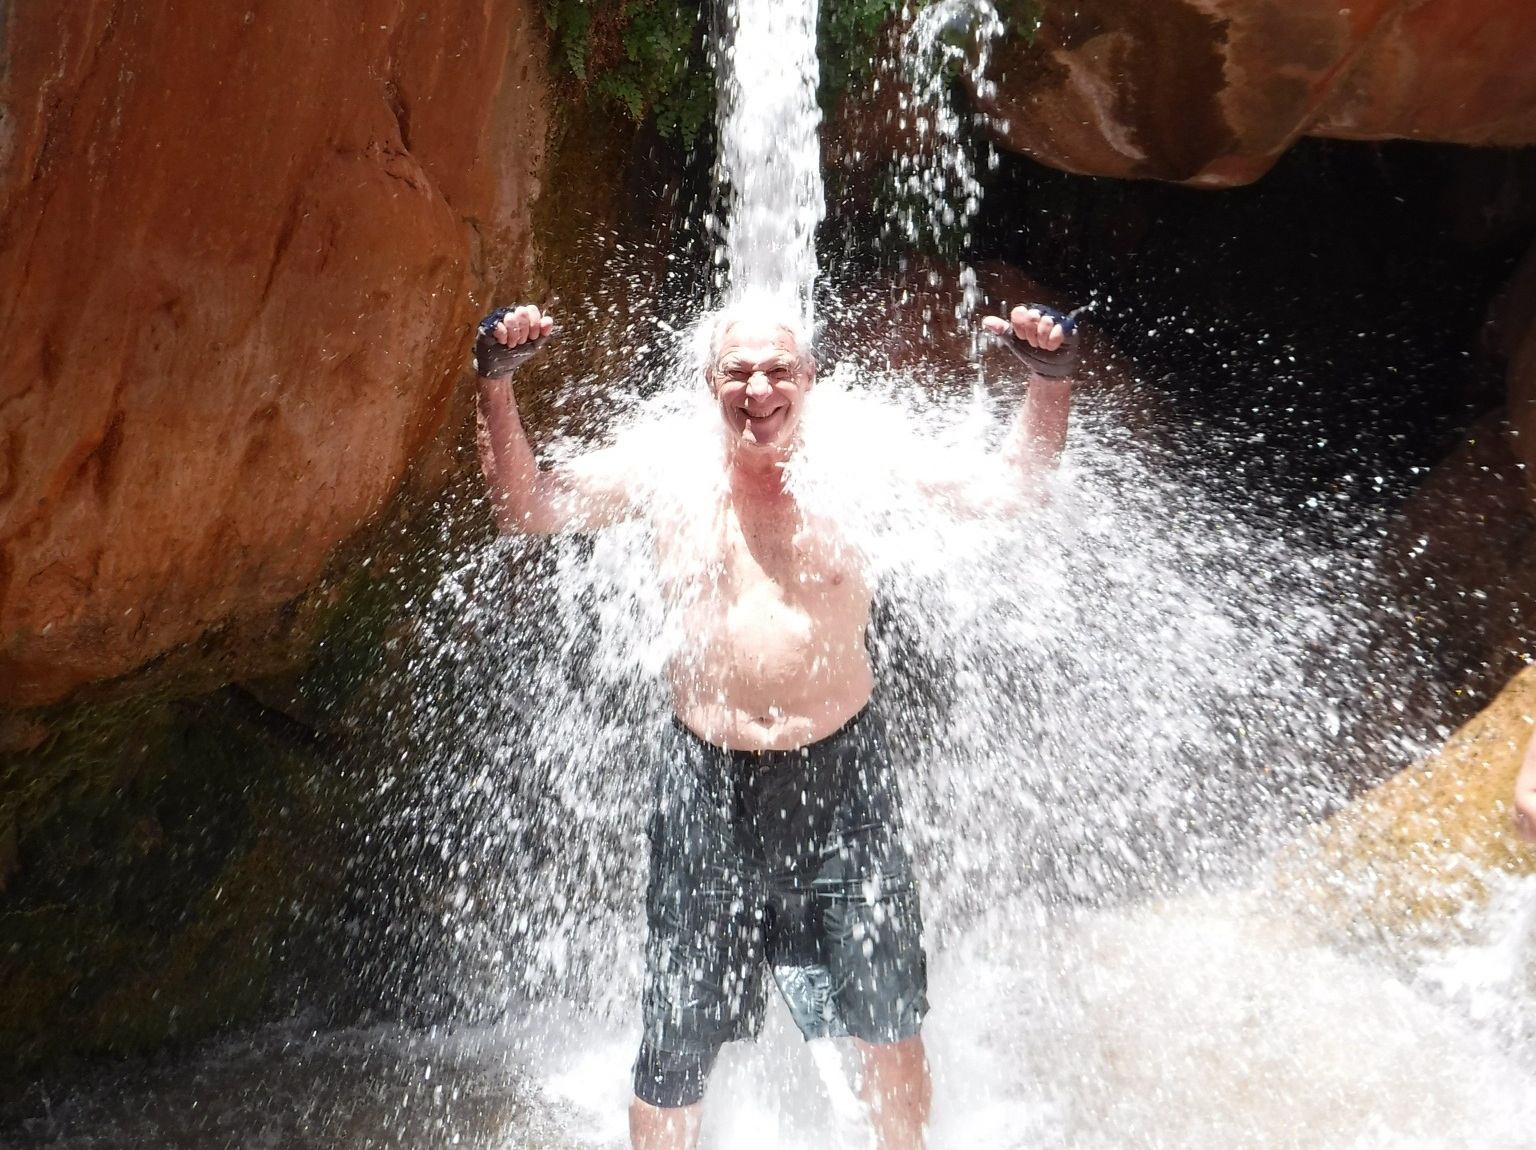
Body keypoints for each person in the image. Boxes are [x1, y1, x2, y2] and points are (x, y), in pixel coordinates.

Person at [473, 297, 1079, 1150]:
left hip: (843, 783)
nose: (758, 388)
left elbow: (1012, 490)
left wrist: (1050, 380)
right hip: (705, 783)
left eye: (778, 370)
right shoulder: (665, 467)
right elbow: (526, 505)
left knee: (886, 1019)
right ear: (708, 384)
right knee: (676, 1039)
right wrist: (496, 387)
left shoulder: (860, 458)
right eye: (737, 372)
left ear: (810, 381)